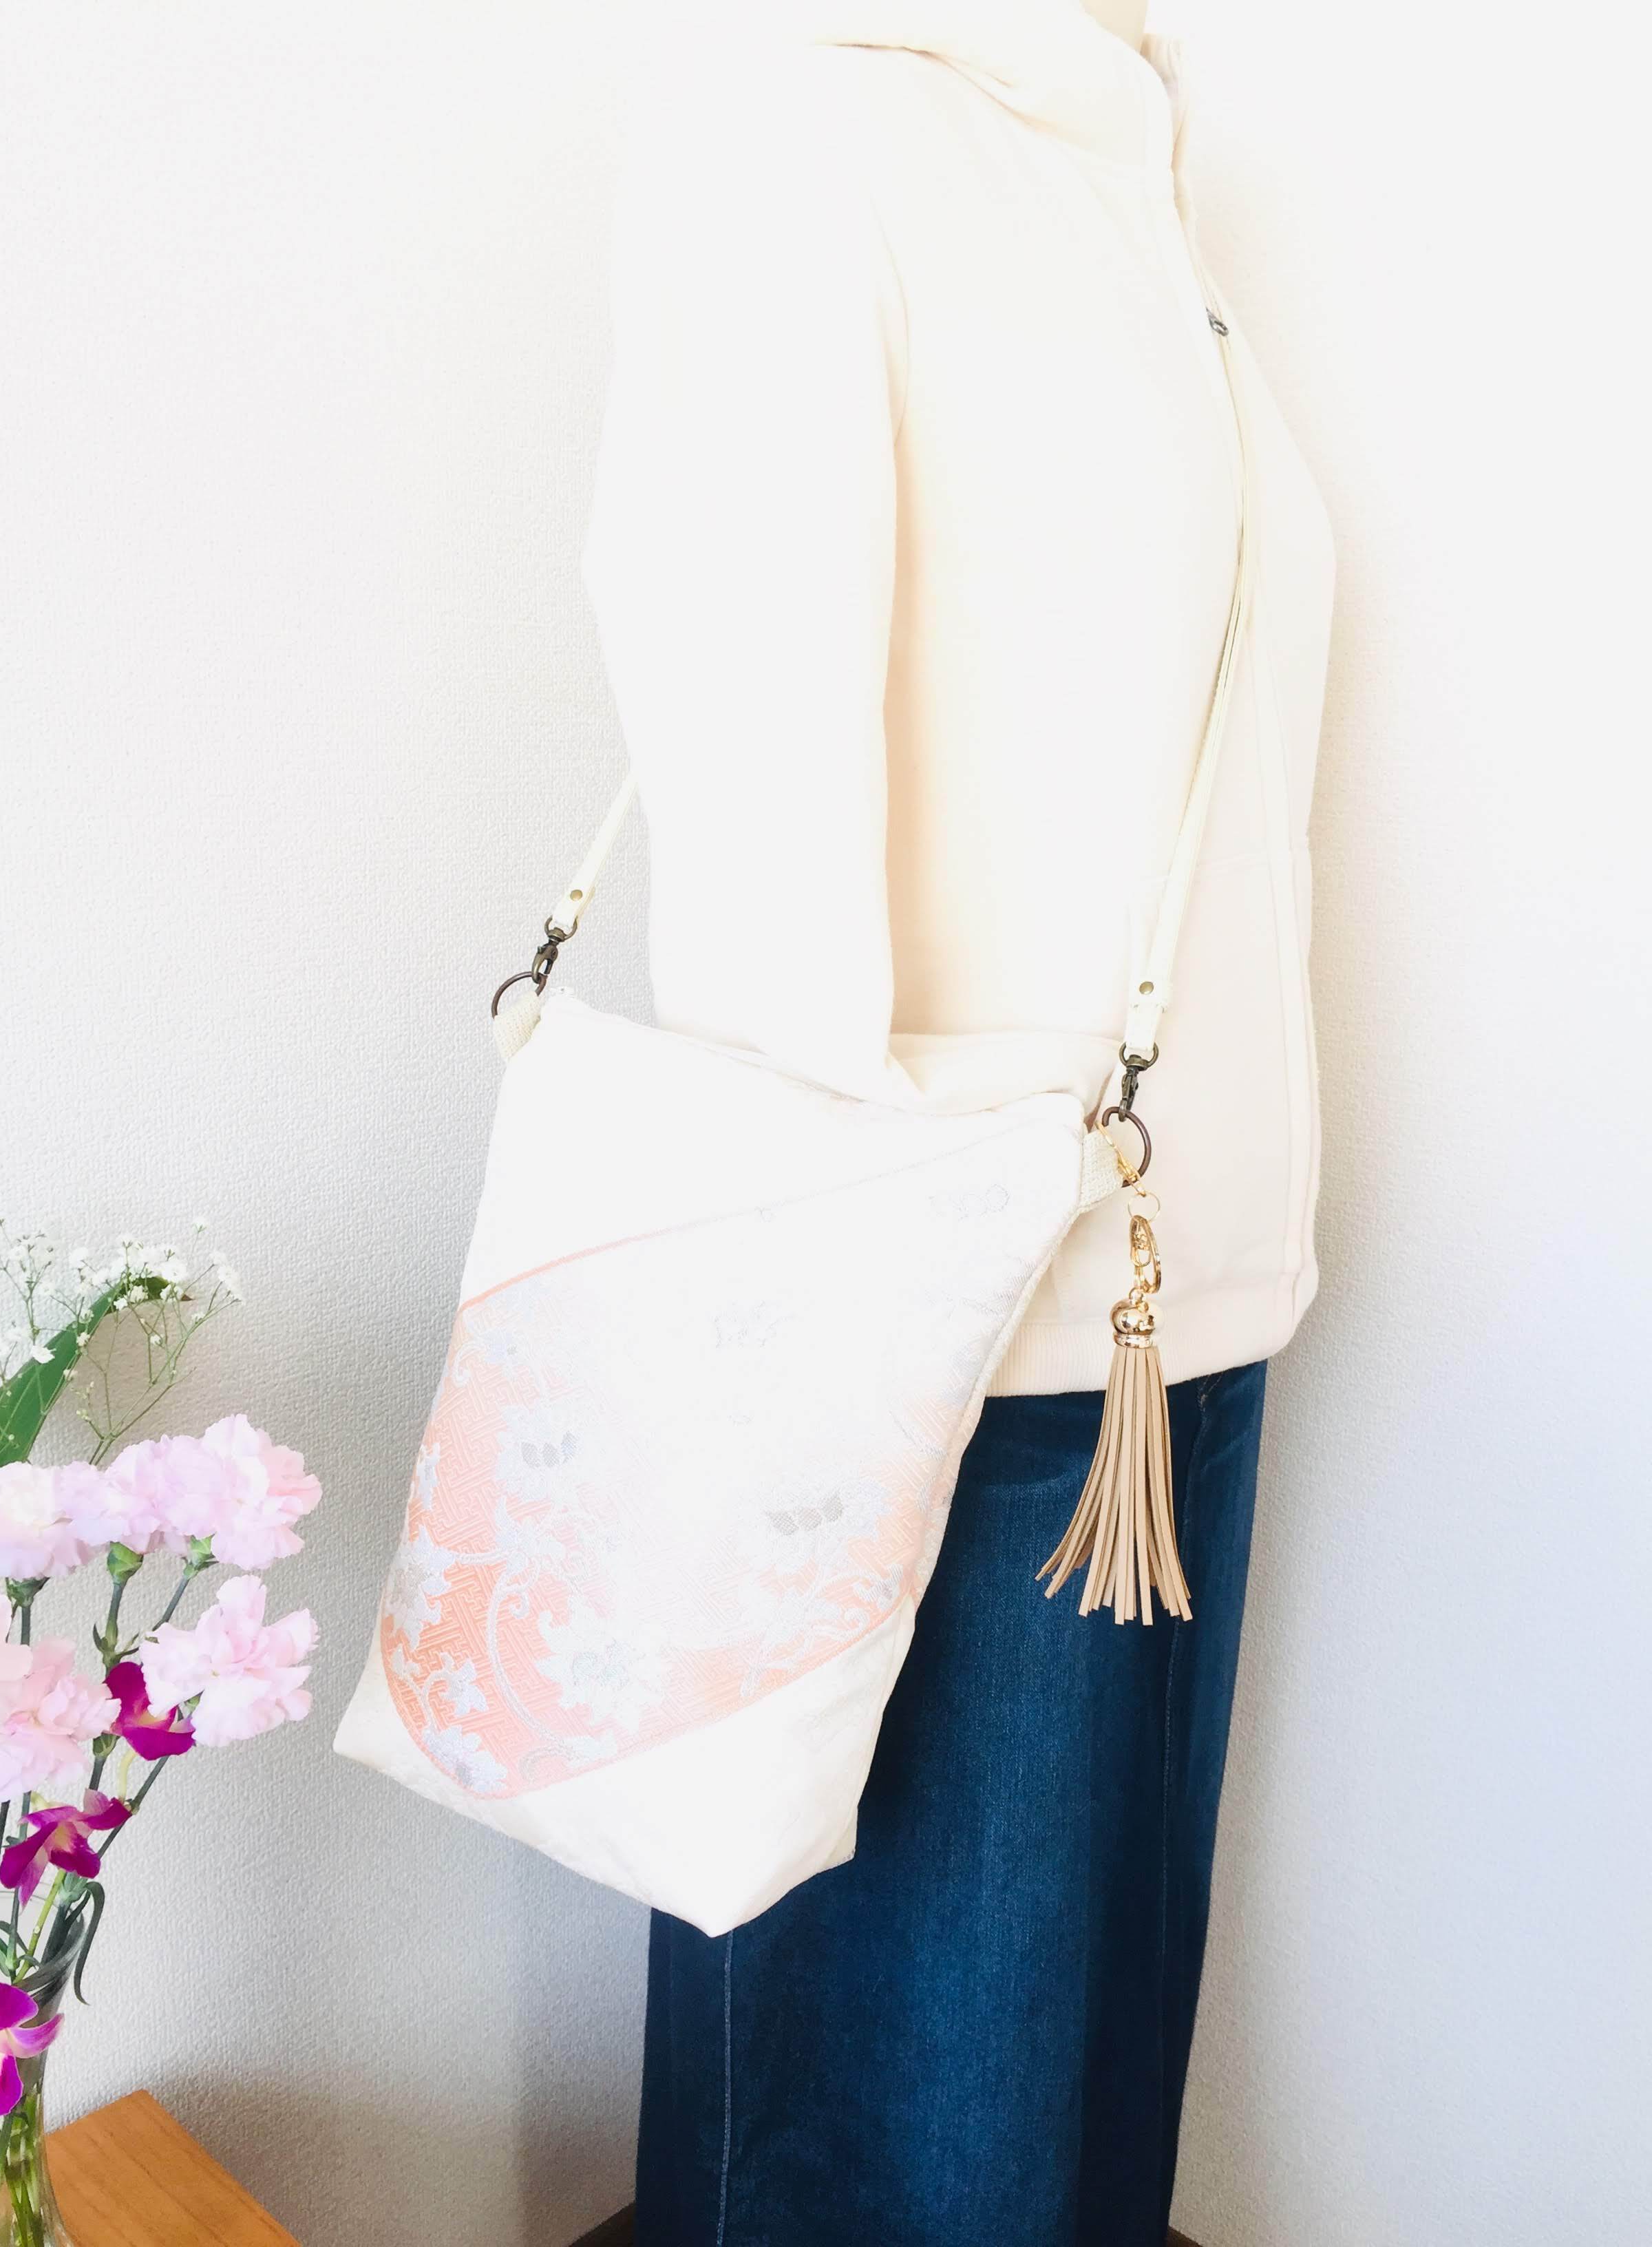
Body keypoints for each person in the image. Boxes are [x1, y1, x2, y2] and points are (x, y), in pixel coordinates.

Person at [581, 4, 1334, 2240]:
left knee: (1074, 2129)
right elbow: (747, 735)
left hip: (1183, 1323)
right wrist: (823, 1374)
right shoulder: (813, 126)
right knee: (896, 2150)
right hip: (933, 1341)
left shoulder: (1140, 179)